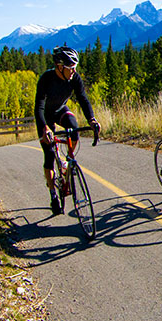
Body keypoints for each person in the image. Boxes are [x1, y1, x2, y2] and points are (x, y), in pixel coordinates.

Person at [34, 46, 101, 215]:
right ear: (59, 66)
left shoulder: (74, 78)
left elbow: (83, 99)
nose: (74, 71)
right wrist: (45, 128)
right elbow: (39, 107)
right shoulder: (46, 79)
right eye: (71, 68)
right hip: (45, 117)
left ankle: (68, 163)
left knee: (74, 128)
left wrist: (91, 120)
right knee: (49, 155)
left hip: (60, 110)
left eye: (75, 68)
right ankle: (53, 194)